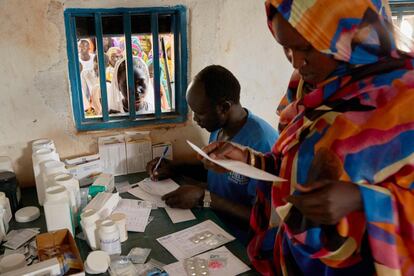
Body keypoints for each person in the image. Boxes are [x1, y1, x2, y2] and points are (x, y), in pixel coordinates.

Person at [198, 1, 414, 275]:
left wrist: (361, 199)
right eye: (285, 47)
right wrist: (248, 159)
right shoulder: (306, 86)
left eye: (308, 47)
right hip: (293, 257)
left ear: (350, 30)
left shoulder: (404, 98)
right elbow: (292, 166)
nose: (296, 61)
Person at [146, 65, 278, 244]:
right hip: (215, 224)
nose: (195, 119)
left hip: (246, 242)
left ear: (224, 108)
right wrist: (174, 168)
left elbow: (264, 218)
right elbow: (217, 173)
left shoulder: (261, 145)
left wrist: (204, 197)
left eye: (200, 113)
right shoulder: (220, 128)